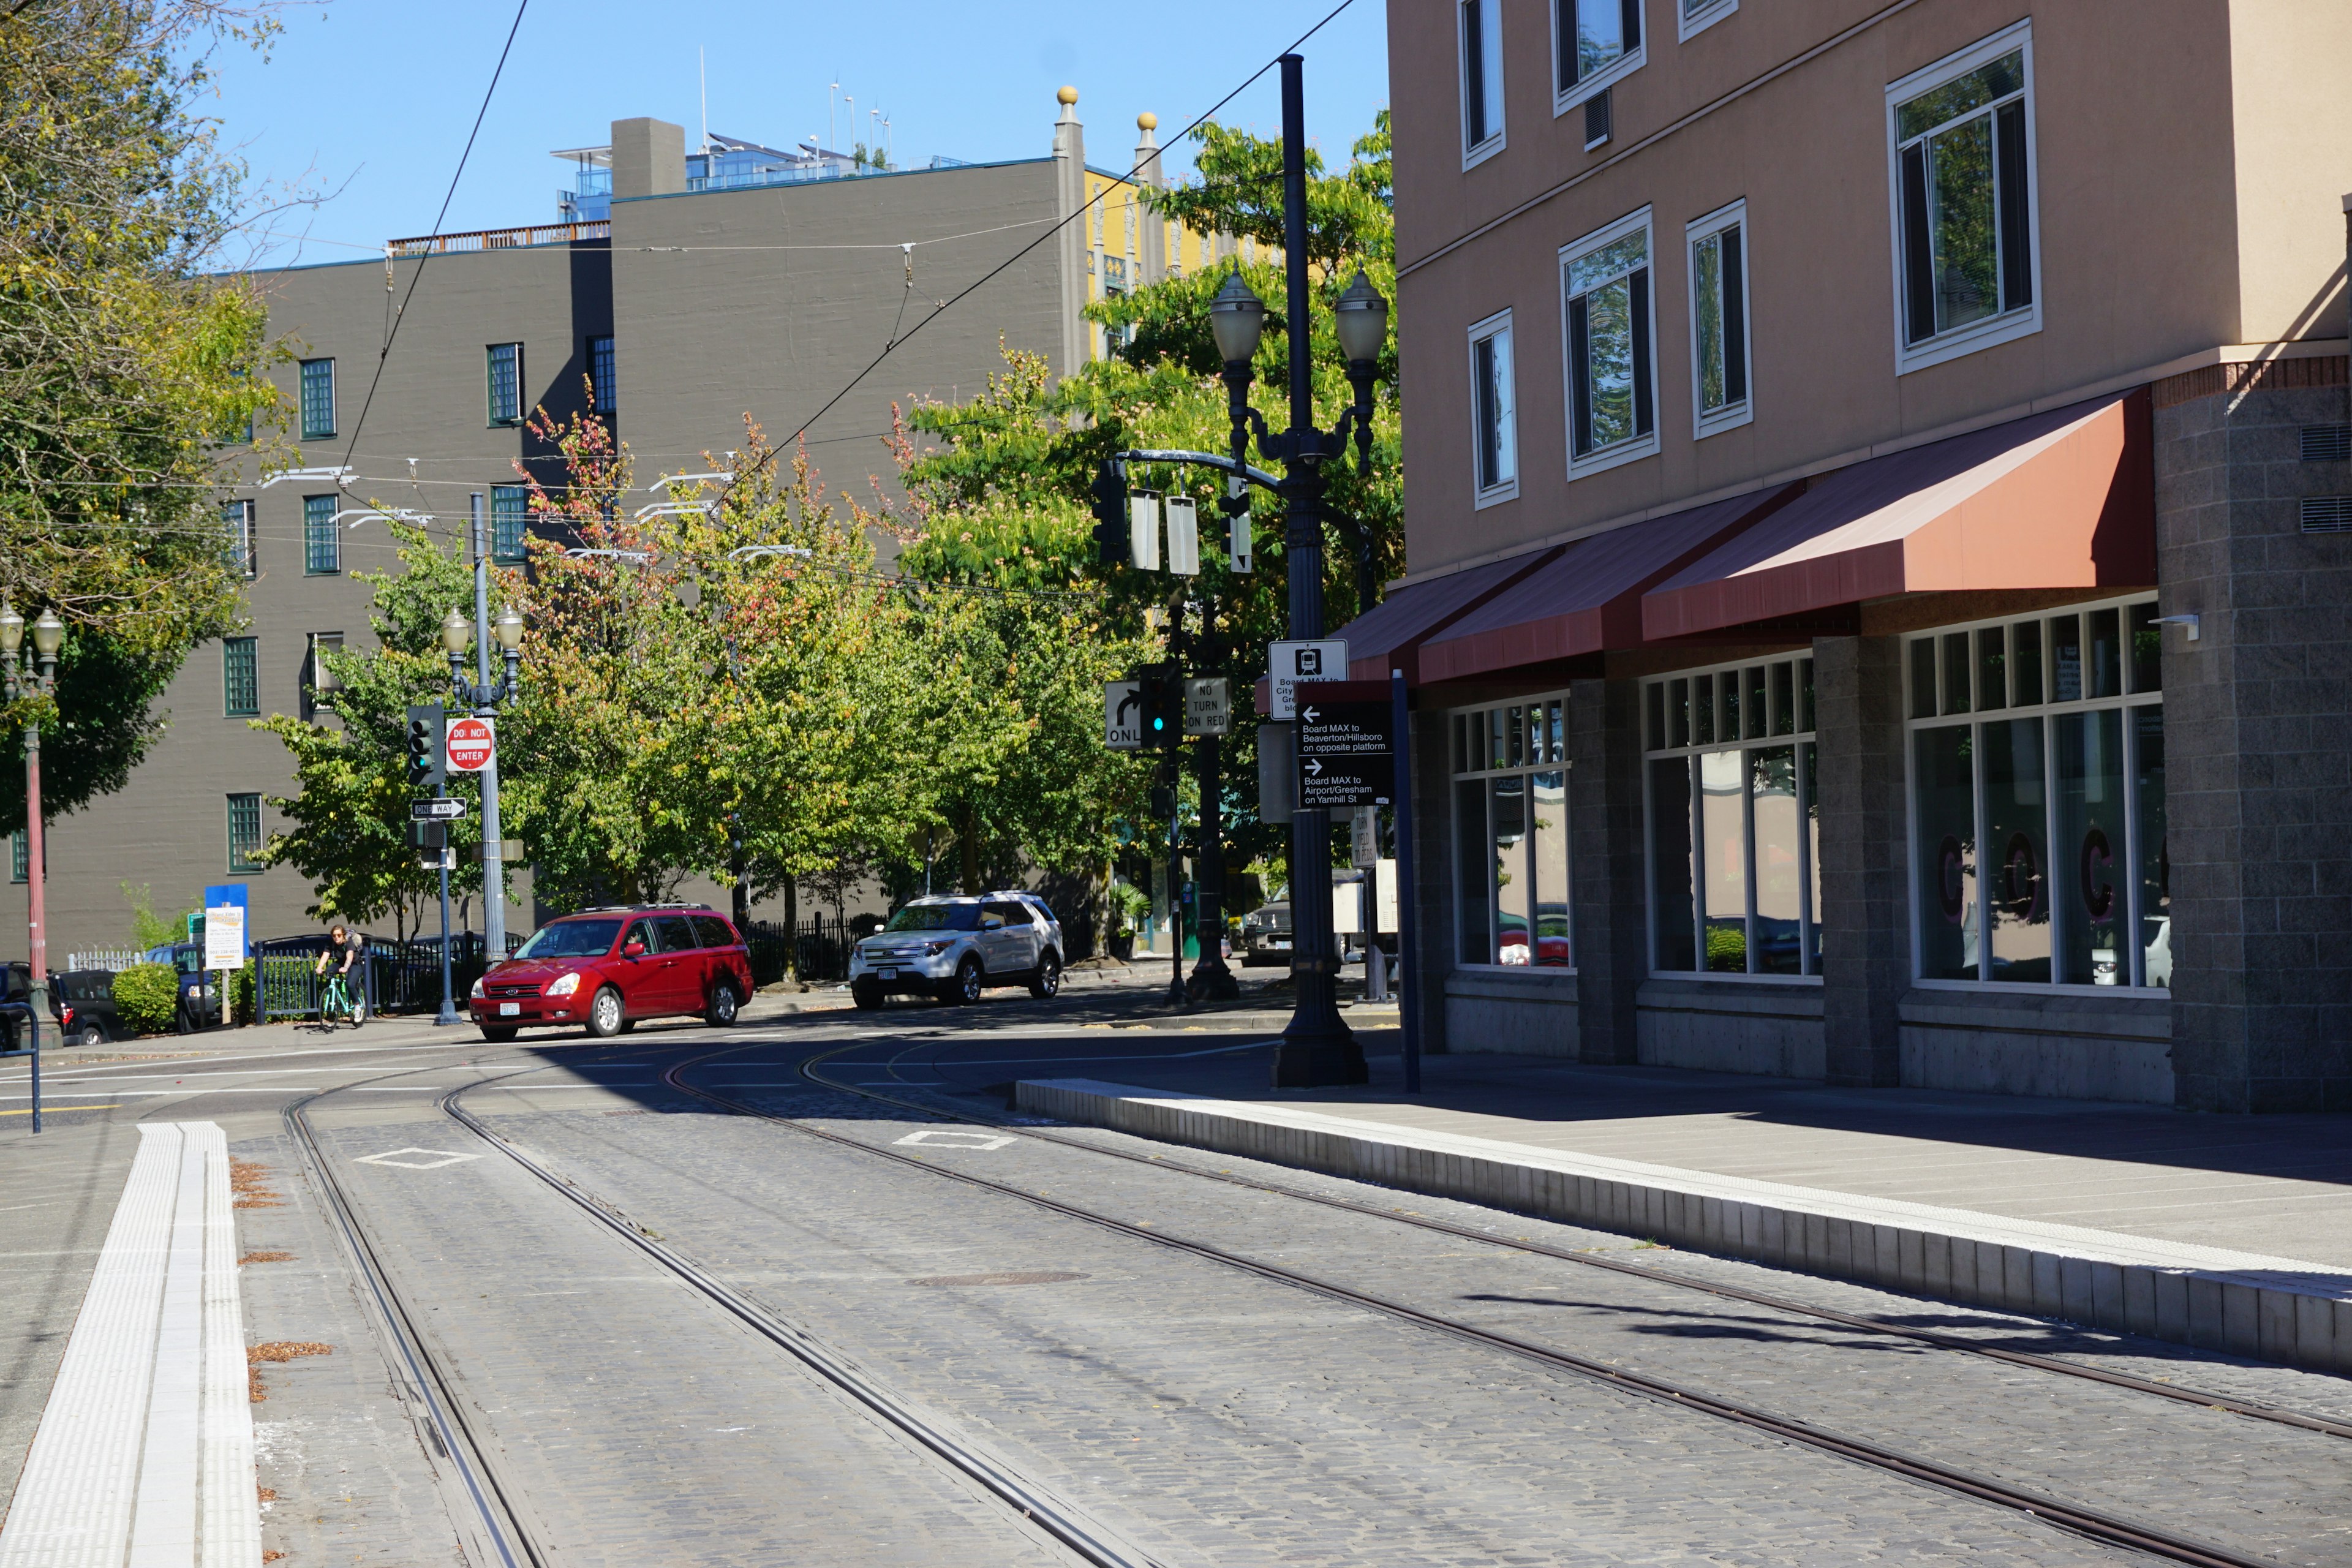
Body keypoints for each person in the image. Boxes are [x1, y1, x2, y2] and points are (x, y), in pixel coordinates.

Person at [314, 923, 363, 1020]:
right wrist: (319, 967)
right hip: (340, 963)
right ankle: (335, 995)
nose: (336, 938)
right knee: (328, 971)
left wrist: (345, 967)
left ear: (343, 935)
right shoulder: (331, 943)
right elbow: (325, 956)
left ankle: (357, 1007)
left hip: (354, 964)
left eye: (339, 935)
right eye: (334, 936)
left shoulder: (349, 942)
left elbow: (350, 957)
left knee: (350, 984)